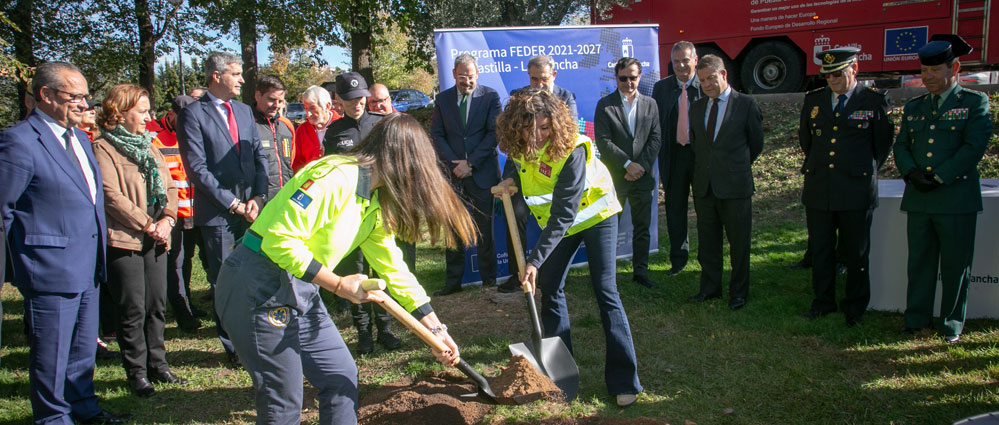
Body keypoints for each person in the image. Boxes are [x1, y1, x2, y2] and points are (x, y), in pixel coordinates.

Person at [216, 114, 474, 424]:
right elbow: (279, 240)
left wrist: (436, 328)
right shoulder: (336, 177)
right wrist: (338, 285)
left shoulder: (374, 200)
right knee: (282, 399)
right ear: (399, 161)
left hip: (301, 286)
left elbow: (395, 269)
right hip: (256, 282)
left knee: (340, 376)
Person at [493, 88, 643, 408]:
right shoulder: (519, 147)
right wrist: (510, 181)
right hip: (560, 226)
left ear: (556, 124)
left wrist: (533, 261)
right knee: (549, 286)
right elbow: (517, 168)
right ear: (516, 126)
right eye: (530, 129)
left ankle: (624, 380)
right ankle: (561, 374)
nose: (538, 136)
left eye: (545, 128)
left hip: (594, 216)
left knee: (605, 291)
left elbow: (563, 214)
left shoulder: (571, 149)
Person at [0, 61, 131, 424]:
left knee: (80, 350)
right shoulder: (19, 141)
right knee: (52, 354)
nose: (84, 103)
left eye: (85, 96)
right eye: (74, 96)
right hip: (48, 269)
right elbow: (3, 211)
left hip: (87, 263)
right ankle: (53, 418)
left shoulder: (77, 138)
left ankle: (84, 409)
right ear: (45, 95)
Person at [894, 34, 992, 344]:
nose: (928, 77)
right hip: (920, 199)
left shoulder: (974, 102)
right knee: (919, 263)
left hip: (954, 198)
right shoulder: (914, 106)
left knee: (955, 265)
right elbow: (901, 145)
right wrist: (910, 172)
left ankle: (951, 323)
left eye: (935, 71)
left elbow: (974, 146)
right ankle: (916, 318)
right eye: (924, 71)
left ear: (955, 68)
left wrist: (938, 177)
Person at [93, 84, 186, 397]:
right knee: (132, 309)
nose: (150, 117)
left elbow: (170, 185)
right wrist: (148, 224)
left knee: (156, 305)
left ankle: (158, 366)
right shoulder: (103, 147)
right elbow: (111, 196)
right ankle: (137, 373)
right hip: (126, 239)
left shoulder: (150, 145)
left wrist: (168, 219)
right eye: (143, 111)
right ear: (121, 112)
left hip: (158, 237)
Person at [177, 52, 269, 365]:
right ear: (216, 76)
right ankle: (234, 347)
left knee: (256, 274)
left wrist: (258, 197)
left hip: (253, 212)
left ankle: (257, 337)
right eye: (236, 74)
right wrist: (233, 204)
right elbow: (197, 170)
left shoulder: (244, 111)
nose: (242, 79)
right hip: (219, 215)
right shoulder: (193, 115)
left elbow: (259, 156)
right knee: (225, 281)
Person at [798, 47, 893, 327]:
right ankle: (823, 301)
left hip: (856, 190)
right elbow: (808, 141)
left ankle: (854, 307)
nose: (833, 80)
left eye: (838, 73)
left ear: (855, 69)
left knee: (856, 253)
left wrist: (857, 169)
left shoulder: (873, 101)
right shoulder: (814, 100)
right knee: (822, 250)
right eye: (827, 75)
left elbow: (882, 146)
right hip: (820, 189)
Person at [323, 72, 400, 355]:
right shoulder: (334, 132)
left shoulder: (382, 124)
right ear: (339, 100)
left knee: (380, 270)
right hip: (349, 212)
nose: (357, 104)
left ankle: (386, 328)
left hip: (379, 208)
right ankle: (363, 332)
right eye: (351, 99)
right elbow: (331, 172)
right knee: (354, 271)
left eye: (361, 98)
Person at [685, 54, 763, 311]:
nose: (707, 85)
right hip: (705, 187)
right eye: (702, 80)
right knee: (708, 242)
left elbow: (756, 144)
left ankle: (738, 293)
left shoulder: (746, 105)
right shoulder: (696, 107)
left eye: (711, 79)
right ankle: (709, 289)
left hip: (735, 187)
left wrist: (732, 168)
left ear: (724, 75)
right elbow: (698, 145)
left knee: (739, 243)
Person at [498, 55, 580, 294]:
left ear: (553, 76)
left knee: (554, 221)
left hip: (554, 175)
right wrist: (509, 177)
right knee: (515, 217)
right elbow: (513, 141)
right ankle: (518, 275)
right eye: (534, 78)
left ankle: (548, 273)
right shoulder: (519, 97)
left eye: (543, 79)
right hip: (523, 172)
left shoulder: (566, 98)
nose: (538, 84)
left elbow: (569, 138)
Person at [430, 54, 502, 295]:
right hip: (453, 175)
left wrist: (470, 163)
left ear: (477, 75)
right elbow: (437, 134)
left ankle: (488, 280)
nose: (467, 82)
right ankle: (453, 283)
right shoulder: (442, 100)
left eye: (470, 77)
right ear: (453, 75)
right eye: (462, 77)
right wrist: (455, 165)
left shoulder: (490, 96)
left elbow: (494, 134)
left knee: (484, 229)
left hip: (482, 173)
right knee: (453, 228)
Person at [594, 57, 662, 290]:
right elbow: (603, 141)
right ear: (616, 78)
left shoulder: (651, 104)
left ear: (639, 77)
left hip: (642, 177)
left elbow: (655, 138)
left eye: (633, 77)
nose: (628, 82)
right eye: (623, 78)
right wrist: (626, 165)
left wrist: (639, 166)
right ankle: (608, 276)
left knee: (642, 227)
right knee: (610, 228)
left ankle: (640, 272)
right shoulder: (605, 105)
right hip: (616, 178)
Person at [150, 95, 205, 333]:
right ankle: (182, 311)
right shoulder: (156, 140)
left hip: (199, 210)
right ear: (170, 114)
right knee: (177, 263)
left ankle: (189, 303)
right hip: (174, 213)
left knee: (191, 261)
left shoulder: (195, 134)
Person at [651, 41, 702, 276]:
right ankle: (678, 260)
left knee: (705, 209)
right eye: (676, 62)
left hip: (701, 158)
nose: (681, 65)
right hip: (673, 157)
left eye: (685, 60)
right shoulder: (661, 88)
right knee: (675, 210)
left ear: (695, 60)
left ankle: (707, 258)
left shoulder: (706, 84)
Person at [252, 75, 296, 202]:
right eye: (271, 99)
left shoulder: (286, 126)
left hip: (285, 198)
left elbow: (290, 162)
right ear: (258, 95)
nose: (277, 105)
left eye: (281, 101)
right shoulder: (247, 124)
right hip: (259, 201)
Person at [291, 85, 341, 172]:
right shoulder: (302, 130)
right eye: (306, 109)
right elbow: (297, 163)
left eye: (313, 108)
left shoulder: (342, 126)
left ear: (327, 106)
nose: (308, 114)